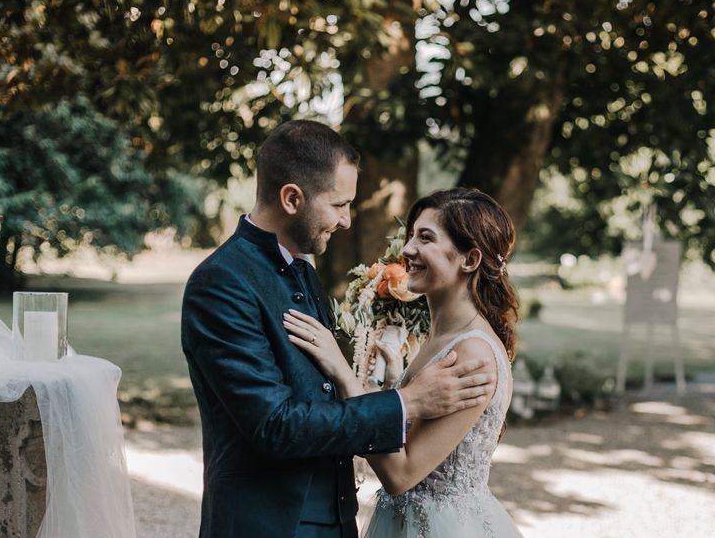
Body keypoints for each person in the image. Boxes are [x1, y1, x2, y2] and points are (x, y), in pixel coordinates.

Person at [181, 121, 495, 538]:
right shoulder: (221, 283)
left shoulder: (303, 273)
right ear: (292, 198)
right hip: (268, 526)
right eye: (338, 204)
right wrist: (407, 402)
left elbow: (320, 398)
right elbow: (274, 425)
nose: (347, 221)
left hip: (336, 523)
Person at [284, 187, 523, 537]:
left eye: (425, 238)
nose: (408, 249)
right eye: (411, 235)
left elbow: (401, 474)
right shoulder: (442, 338)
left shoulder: (473, 355)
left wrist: (342, 373)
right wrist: (396, 382)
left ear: (469, 260)